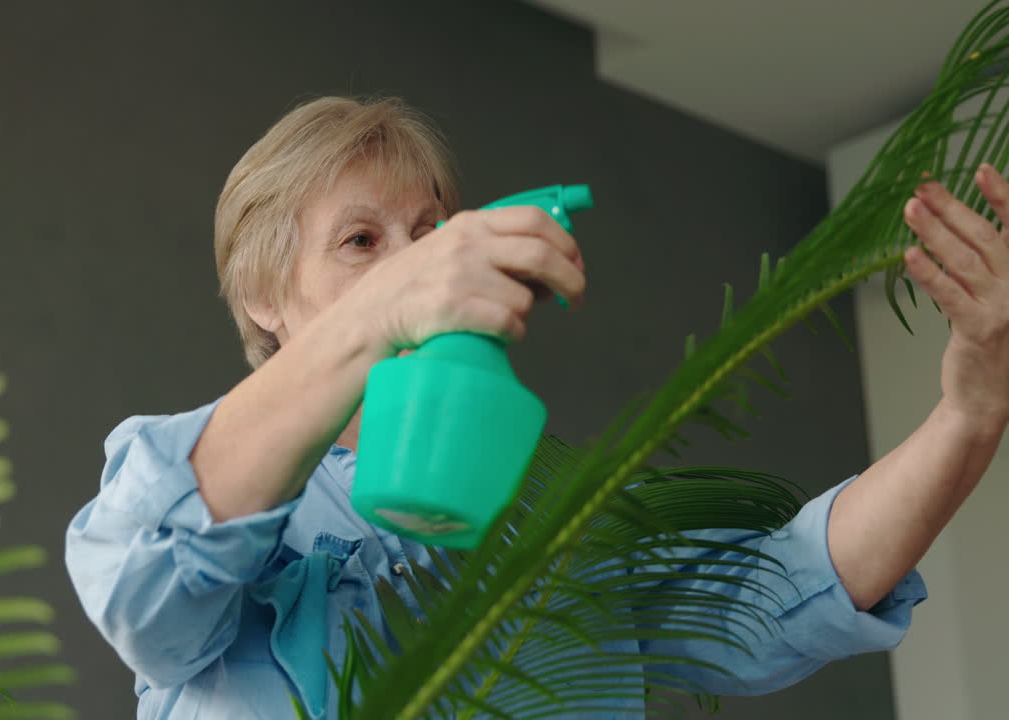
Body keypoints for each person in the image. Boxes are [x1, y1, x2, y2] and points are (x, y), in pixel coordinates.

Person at [65, 96, 1008, 719]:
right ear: (264, 298)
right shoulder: (184, 475)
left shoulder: (550, 507)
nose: (414, 258)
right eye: (361, 239)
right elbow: (143, 595)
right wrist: (386, 313)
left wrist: (971, 414)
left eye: (431, 232)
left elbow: (775, 594)